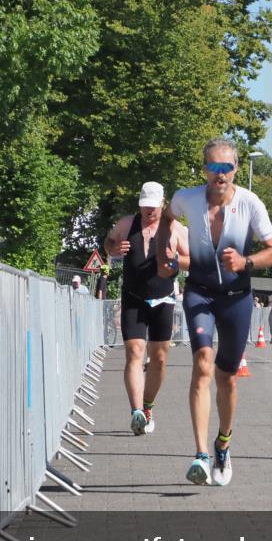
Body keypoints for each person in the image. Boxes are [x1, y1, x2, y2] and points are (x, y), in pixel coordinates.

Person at [156, 138, 272, 487]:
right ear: (204, 169)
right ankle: (199, 454)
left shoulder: (250, 203)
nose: (220, 174)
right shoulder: (188, 198)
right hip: (199, 293)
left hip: (236, 299)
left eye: (226, 168)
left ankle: (222, 443)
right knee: (201, 365)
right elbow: (167, 219)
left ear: (236, 169)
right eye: (214, 167)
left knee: (226, 378)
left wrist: (247, 261)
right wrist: (164, 252)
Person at [105, 182, 189, 437]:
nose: (148, 211)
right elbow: (108, 241)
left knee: (159, 359)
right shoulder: (126, 224)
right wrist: (113, 249)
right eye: (144, 207)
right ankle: (136, 412)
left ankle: (149, 405)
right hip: (133, 296)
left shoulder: (175, 228)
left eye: (153, 207)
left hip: (163, 299)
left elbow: (192, 261)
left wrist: (173, 258)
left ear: (162, 204)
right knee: (134, 352)